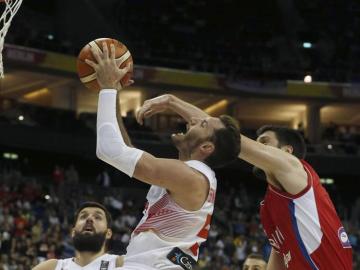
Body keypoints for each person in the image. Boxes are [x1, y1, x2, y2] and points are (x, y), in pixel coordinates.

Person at [84, 42, 241, 269]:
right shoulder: (187, 176)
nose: (193, 120)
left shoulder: (192, 178)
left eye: (202, 124)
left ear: (206, 148)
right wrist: (114, 93)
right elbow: (124, 151)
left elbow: (109, 150)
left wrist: (107, 87)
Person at [239, 125, 353, 269]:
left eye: (264, 142)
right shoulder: (268, 207)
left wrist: (206, 125)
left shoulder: (298, 173)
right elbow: (280, 255)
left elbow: (230, 141)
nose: (257, 147)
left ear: (287, 152)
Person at [32, 201, 124, 270]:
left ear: (108, 233)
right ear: (73, 232)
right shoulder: (51, 267)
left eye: (97, 217)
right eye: (83, 217)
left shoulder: (121, 263)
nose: (89, 219)